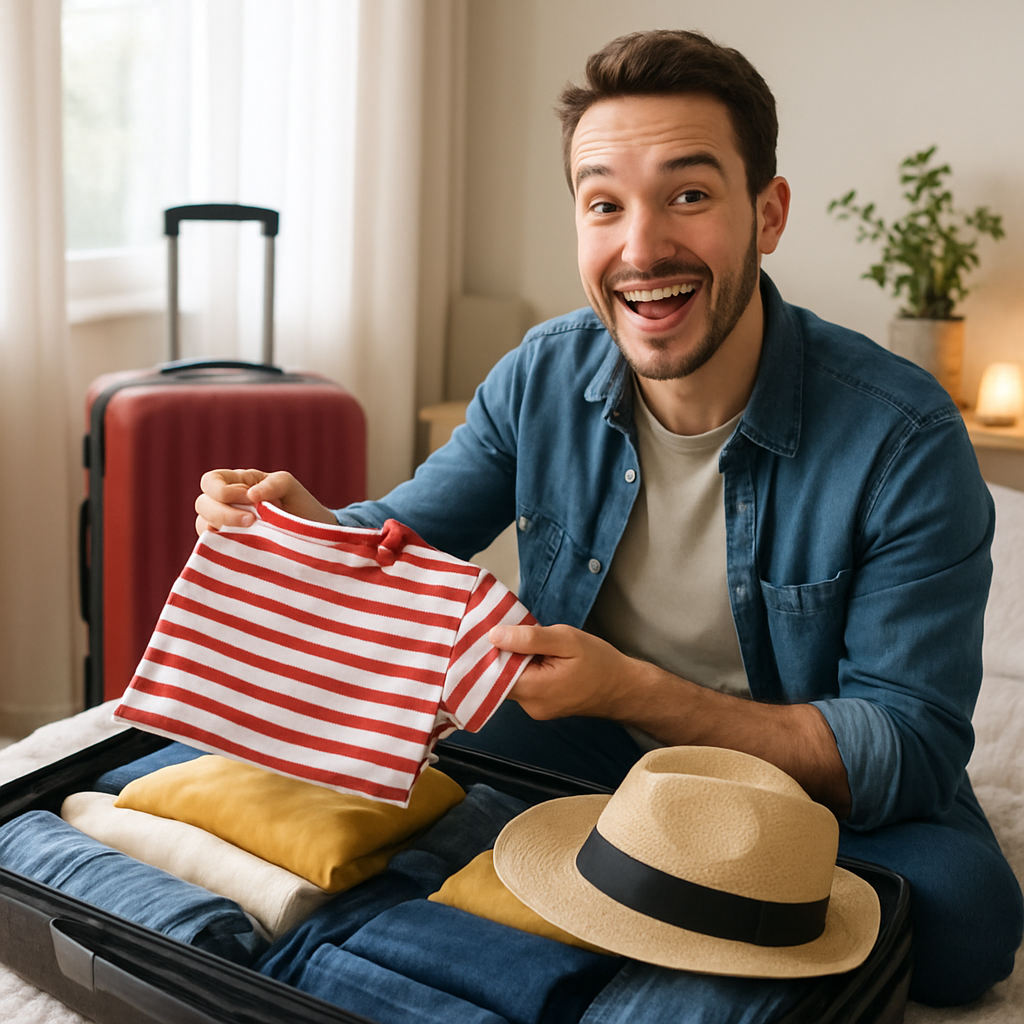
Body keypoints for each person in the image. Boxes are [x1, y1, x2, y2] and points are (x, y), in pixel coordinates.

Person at [195, 29, 1022, 1006]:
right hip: (591, 732)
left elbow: (907, 744)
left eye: (688, 194)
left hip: (782, 769)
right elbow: (402, 540)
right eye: (604, 204)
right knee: (379, 730)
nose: (641, 248)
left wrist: (636, 692)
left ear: (768, 211)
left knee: (968, 918)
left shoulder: (903, 435)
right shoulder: (541, 373)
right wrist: (304, 523)